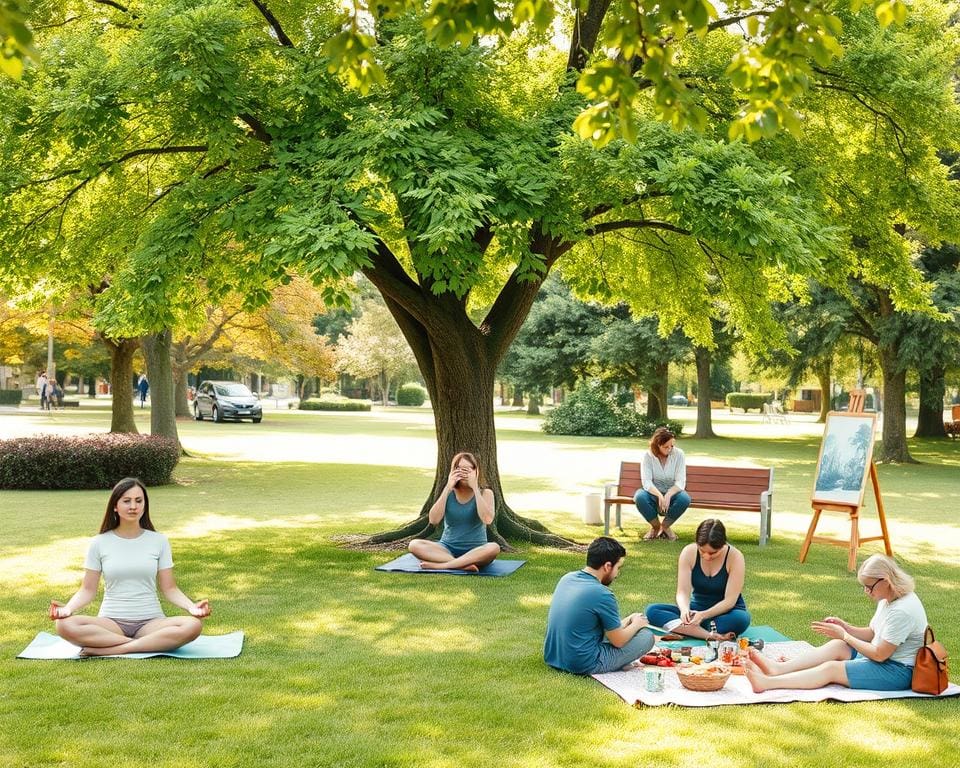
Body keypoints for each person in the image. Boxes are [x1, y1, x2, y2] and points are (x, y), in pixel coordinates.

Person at [49, 477, 212, 656]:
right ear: (115, 506)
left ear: (144, 505)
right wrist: (67, 609)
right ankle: (146, 644)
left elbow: (170, 588)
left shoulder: (159, 541)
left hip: (151, 623)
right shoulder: (99, 542)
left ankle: (112, 650)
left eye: (138, 501)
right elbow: (87, 590)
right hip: (111, 624)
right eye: (126, 501)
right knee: (63, 625)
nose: (133, 506)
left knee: (193, 625)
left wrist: (192, 607)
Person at [744, 554, 927, 692]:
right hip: (885, 661)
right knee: (839, 645)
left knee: (832, 669)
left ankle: (768, 683)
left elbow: (880, 655)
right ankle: (778, 669)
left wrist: (845, 635)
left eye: (869, 587)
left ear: (885, 581)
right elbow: (873, 633)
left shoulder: (902, 610)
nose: (866, 591)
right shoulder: (889, 597)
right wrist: (845, 628)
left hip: (897, 672)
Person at [544, 536, 654, 674]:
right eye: (618, 568)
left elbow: (607, 631)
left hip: (554, 657)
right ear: (607, 566)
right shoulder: (602, 593)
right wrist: (637, 624)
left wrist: (629, 620)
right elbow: (618, 641)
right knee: (647, 636)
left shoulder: (567, 578)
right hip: (583, 663)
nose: (617, 574)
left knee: (625, 630)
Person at [644, 518, 749, 641]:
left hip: (726, 612)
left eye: (713, 553)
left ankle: (685, 629)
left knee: (741, 620)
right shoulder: (689, 552)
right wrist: (684, 610)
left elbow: (729, 601)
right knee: (653, 610)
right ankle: (708, 635)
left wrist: (703, 616)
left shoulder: (735, 557)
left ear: (723, 545)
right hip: (697, 608)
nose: (706, 556)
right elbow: (682, 591)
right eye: (702, 551)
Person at [408, 452, 501, 572]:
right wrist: (447, 487)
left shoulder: (486, 493)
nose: (463, 473)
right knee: (414, 545)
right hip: (446, 549)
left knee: (494, 547)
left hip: (476, 550)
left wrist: (475, 488)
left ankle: (442, 565)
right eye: (459, 469)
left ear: (476, 471)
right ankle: (462, 565)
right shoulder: (448, 492)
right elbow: (433, 520)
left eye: (467, 469)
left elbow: (487, 519)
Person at [633, 426, 690, 540]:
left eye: (671, 446)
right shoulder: (648, 456)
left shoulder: (679, 454)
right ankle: (655, 527)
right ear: (657, 445)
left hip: (673, 492)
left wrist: (668, 494)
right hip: (653, 492)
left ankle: (665, 526)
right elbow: (647, 482)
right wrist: (659, 495)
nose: (670, 449)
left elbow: (680, 481)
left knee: (685, 499)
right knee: (639, 497)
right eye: (666, 447)